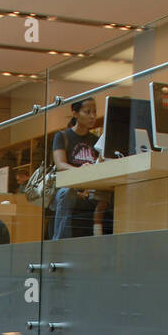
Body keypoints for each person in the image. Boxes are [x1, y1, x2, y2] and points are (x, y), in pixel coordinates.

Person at [51, 98, 100, 241]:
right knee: (68, 193)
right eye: (87, 112)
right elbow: (60, 165)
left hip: (89, 189)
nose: (92, 116)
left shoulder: (96, 140)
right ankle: (59, 242)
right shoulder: (62, 136)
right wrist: (80, 172)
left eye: (94, 112)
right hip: (65, 189)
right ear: (75, 113)